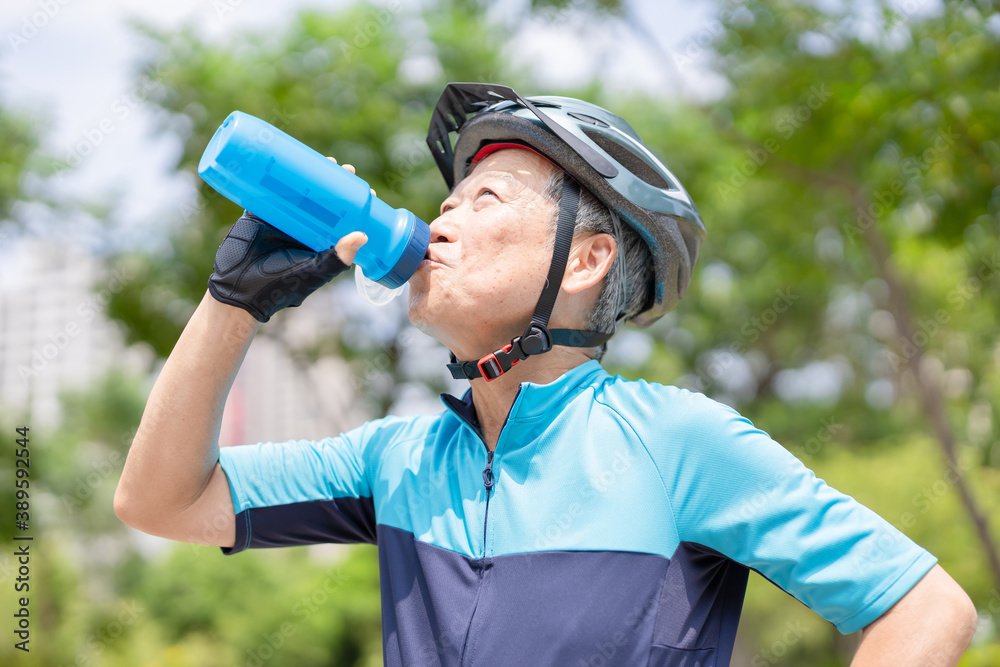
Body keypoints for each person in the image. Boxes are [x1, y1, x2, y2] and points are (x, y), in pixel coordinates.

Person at [115, 82, 976, 666]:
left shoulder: (677, 442)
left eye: (482, 203)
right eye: (447, 204)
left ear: (586, 261)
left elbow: (928, 607)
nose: (443, 220)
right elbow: (160, 500)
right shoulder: (398, 459)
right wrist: (233, 302)